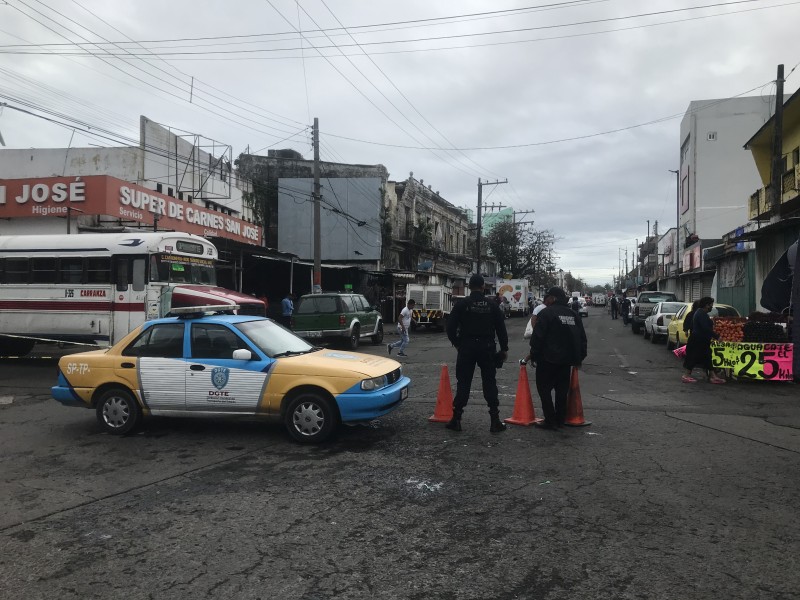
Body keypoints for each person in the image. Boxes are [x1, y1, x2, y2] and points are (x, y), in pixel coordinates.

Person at [445, 274, 509, 433]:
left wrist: (457, 343)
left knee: (463, 382)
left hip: (467, 346)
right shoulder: (492, 305)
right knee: (489, 381)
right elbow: (501, 328)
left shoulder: (462, 304)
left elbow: (450, 327)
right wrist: (504, 348)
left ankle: (457, 419)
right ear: (483, 287)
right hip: (487, 347)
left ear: (469, 287)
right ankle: (495, 421)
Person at [529, 286, 588, 430]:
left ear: (553, 298)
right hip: (566, 361)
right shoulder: (573, 315)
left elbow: (537, 337)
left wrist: (534, 355)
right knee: (562, 391)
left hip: (548, 360)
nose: (545, 300)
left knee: (544, 390)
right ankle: (560, 419)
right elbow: (582, 338)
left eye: (547, 297)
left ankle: (550, 420)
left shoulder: (546, 313)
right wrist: (579, 358)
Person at [682, 297, 725, 384]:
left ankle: (713, 376)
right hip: (697, 340)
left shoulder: (701, 313)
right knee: (693, 358)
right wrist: (717, 337)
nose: (711, 307)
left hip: (702, 340)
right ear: (706, 305)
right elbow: (705, 328)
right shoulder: (701, 314)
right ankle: (686, 376)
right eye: (711, 305)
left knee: (708, 358)